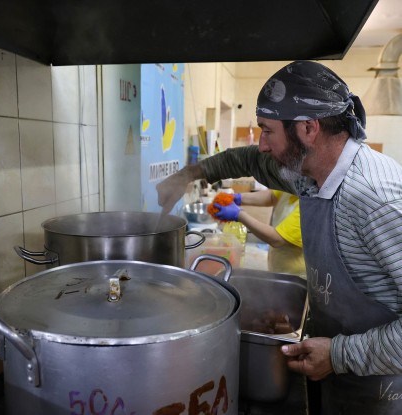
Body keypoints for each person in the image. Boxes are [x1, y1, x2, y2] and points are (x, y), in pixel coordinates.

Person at [157, 60, 402, 414]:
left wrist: (337, 355)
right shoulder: (312, 172)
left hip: (379, 391)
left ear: (308, 128)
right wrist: (191, 174)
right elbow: (250, 162)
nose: (262, 145)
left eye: (266, 131)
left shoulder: (374, 200)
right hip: (336, 372)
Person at [213, 189, 306, 277]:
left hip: (296, 275)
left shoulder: (310, 205)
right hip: (279, 265)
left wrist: (239, 215)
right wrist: (239, 198)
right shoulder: (295, 185)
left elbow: (277, 239)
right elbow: (272, 196)